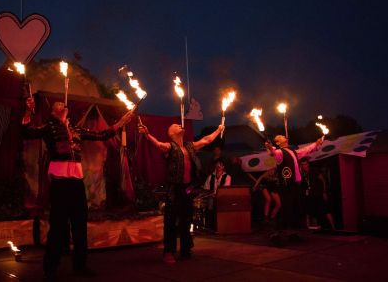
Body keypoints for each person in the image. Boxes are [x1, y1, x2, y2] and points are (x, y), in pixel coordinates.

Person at [22, 98, 133, 279]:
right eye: (57, 104)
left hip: (76, 184)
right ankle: (50, 268)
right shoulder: (48, 127)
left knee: (80, 226)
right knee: (57, 227)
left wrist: (121, 123)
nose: (61, 104)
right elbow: (26, 132)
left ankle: (80, 266)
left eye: (63, 103)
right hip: (60, 184)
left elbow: (102, 135)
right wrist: (28, 112)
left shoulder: (76, 129)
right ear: (52, 112)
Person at [138, 122, 224, 264]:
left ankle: (185, 249)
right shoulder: (170, 147)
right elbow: (159, 145)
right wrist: (147, 135)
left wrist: (218, 129)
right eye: (176, 125)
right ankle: (168, 252)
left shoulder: (190, 146)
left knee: (186, 220)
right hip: (174, 189)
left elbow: (206, 140)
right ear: (171, 133)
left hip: (187, 189)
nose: (180, 125)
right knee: (170, 221)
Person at [265, 135, 323, 243]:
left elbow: (305, 150)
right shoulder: (280, 153)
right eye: (281, 137)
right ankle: (275, 234)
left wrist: (316, 143)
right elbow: (274, 153)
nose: (284, 136)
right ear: (278, 143)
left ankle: (292, 234)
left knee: (295, 209)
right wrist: (269, 147)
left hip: (295, 185)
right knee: (285, 209)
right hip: (286, 186)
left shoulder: (293, 152)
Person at [300, 158, 336, 230]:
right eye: (303, 165)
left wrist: (324, 192)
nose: (304, 166)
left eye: (305, 164)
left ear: (308, 164)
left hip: (319, 194)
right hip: (310, 195)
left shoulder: (314, 170)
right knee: (310, 212)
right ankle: (314, 229)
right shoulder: (303, 174)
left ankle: (334, 228)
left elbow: (323, 180)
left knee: (326, 210)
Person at [202, 158, 232, 230]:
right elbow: (206, 188)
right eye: (217, 165)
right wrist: (210, 194)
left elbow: (225, 189)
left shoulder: (227, 177)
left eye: (220, 165)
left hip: (222, 197)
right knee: (210, 201)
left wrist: (217, 195)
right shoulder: (210, 177)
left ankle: (221, 224)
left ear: (223, 167)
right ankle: (210, 225)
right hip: (212, 197)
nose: (218, 167)